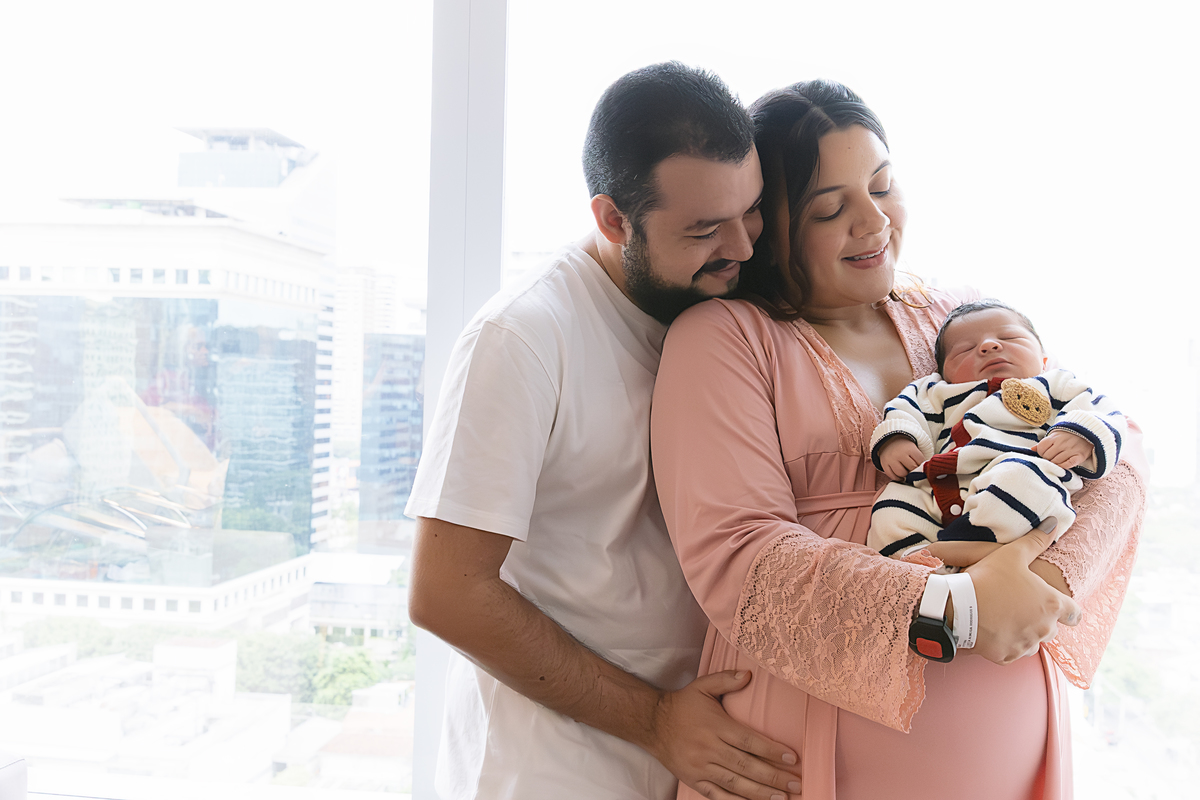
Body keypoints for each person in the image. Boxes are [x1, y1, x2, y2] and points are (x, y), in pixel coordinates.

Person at [650, 79, 1147, 800]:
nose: (873, 222)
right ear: (772, 228)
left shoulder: (956, 316)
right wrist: (967, 608)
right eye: (830, 209)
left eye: (883, 186)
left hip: (1008, 746)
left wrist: (1045, 582)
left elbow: (1117, 443)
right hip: (805, 740)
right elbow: (738, 551)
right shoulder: (724, 341)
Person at [405, 63, 802, 800]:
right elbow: (446, 592)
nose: (743, 248)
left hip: (693, 761)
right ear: (614, 220)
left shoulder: (727, 321)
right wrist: (655, 721)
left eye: (748, 212)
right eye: (704, 229)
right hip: (550, 771)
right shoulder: (523, 337)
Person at [868, 299, 1127, 555]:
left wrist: (1081, 435)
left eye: (1011, 338)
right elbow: (903, 410)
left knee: (1027, 479)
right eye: (965, 349)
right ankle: (922, 569)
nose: (989, 345)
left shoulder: (1055, 384)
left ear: (1044, 359)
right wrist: (897, 439)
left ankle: (968, 552)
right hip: (933, 489)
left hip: (1016, 478)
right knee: (890, 507)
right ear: (945, 372)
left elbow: (1103, 413)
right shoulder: (934, 392)